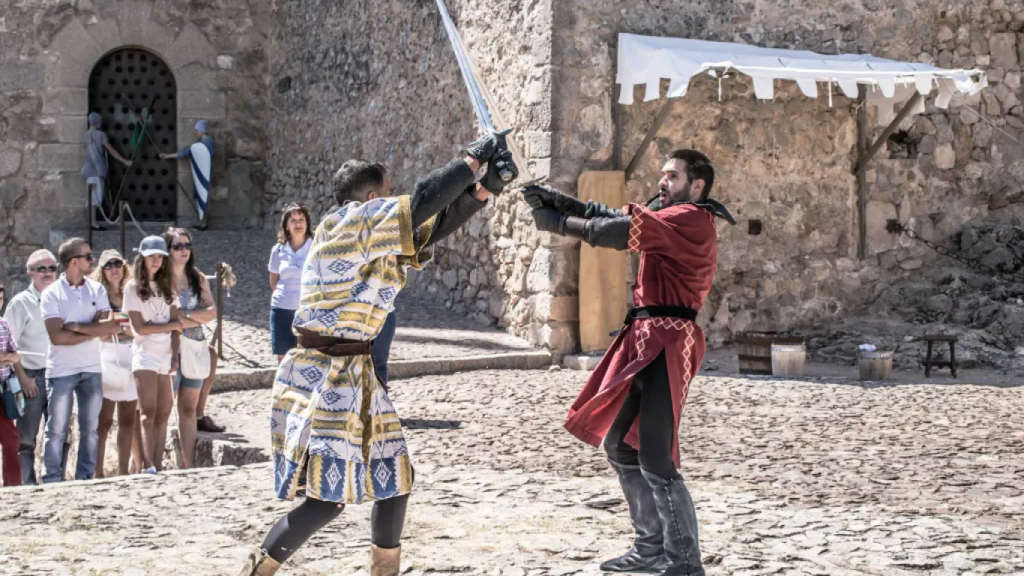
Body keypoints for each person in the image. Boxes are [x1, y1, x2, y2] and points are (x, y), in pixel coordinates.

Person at [236, 131, 518, 576]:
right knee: (326, 501)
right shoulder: (346, 223)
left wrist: (484, 190)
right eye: (388, 192)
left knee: (394, 480)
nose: (395, 200)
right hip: (325, 377)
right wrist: (472, 159)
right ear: (369, 198)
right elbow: (424, 200)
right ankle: (258, 571)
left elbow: (432, 226)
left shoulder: (373, 236)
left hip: (357, 374)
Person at [523, 150, 734, 576]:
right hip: (644, 337)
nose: (662, 182)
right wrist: (564, 202)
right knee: (621, 445)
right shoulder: (666, 215)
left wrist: (562, 223)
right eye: (661, 175)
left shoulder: (691, 218)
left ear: (696, 186)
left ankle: (684, 562)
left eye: (672, 176)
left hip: (668, 341)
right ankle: (650, 548)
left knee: (655, 456)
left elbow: (617, 231)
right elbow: (612, 215)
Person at [40, 238, 118, 482]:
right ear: (74, 262)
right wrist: (90, 329)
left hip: (92, 367)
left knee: (90, 429)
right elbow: (57, 337)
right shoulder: (52, 294)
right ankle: (52, 477)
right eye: (88, 257)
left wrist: (73, 326)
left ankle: (85, 476)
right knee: (56, 429)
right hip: (62, 370)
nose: (92, 261)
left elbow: (109, 329)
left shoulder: (97, 290)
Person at [4, 250, 71, 484]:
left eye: (52, 268)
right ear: (29, 272)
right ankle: (26, 484)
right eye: (41, 269)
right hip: (31, 376)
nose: (47, 273)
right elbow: (7, 347)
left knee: (61, 433)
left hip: (60, 374)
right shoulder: (20, 303)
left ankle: (55, 480)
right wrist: (22, 378)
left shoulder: (63, 299)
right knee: (26, 436)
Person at [123, 236, 181, 474]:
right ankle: (147, 464)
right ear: (143, 257)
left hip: (165, 354)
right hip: (145, 352)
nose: (156, 260)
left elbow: (177, 325)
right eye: (152, 256)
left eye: (160, 256)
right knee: (148, 410)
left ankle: (156, 464)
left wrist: (175, 355)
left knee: (164, 411)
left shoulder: (169, 287)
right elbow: (140, 327)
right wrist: (169, 327)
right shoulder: (133, 288)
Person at [164, 227, 217, 467]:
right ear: (168, 250)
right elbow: (164, 317)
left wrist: (183, 315)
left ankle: (188, 464)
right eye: (178, 246)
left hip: (194, 345)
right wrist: (195, 316)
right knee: (163, 406)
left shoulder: (198, 278)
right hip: (168, 346)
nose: (184, 250)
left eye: (187, 245)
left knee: (188, 407)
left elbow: (212, 312)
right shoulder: (160, 279)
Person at [90, 250, 140, 478]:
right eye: (108, 265)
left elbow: (138, 324)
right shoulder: (97, 295)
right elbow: (98, 328)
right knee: (105, 420)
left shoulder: (131, 293)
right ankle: (98, 470)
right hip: (108, 355)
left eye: (117, 264)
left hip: (131, 353)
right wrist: (121, 327)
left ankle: (122, 471)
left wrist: (119, 327)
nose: (114, 269)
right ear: (102, 271)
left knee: (128, 418)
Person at [268, 203, 314, 363]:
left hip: (308, 310)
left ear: (307, 223)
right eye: (293, 220)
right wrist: (285, 297)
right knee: (284, 358)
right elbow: (273, 279)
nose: (298, 224)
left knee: (306, 358)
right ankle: (283, 388)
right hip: (282, 309)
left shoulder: (315, 248)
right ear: (286, 225)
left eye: (301, 219)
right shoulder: (278, 250)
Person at [82, 112, 132, 231]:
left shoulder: (85, 135)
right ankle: (93, 223)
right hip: (97, 169)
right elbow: (111, 151)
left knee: (91, 197)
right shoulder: (101, 134)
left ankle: (91, 221)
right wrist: (125, 161)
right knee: (95, 198)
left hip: (87, 169)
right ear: (98, 122)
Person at [161, 120, 214, 230]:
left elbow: (206, 154)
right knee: (198, 195)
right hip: (198, 172)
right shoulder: (199, 141)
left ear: (201, 130)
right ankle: (201, 221)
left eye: (197, 130)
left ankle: (204, 223)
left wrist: (167, 156)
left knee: (203, 196)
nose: (196, 132)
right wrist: (168, 156)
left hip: (204, 173)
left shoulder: (208, 142)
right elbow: (187, 151)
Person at [0, 313, 34, 486]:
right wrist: (6, 358)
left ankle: (12, 486)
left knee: (11, 438)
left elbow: (16, 355)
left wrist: (7, 358)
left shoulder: (3, 324)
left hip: (4, 388)